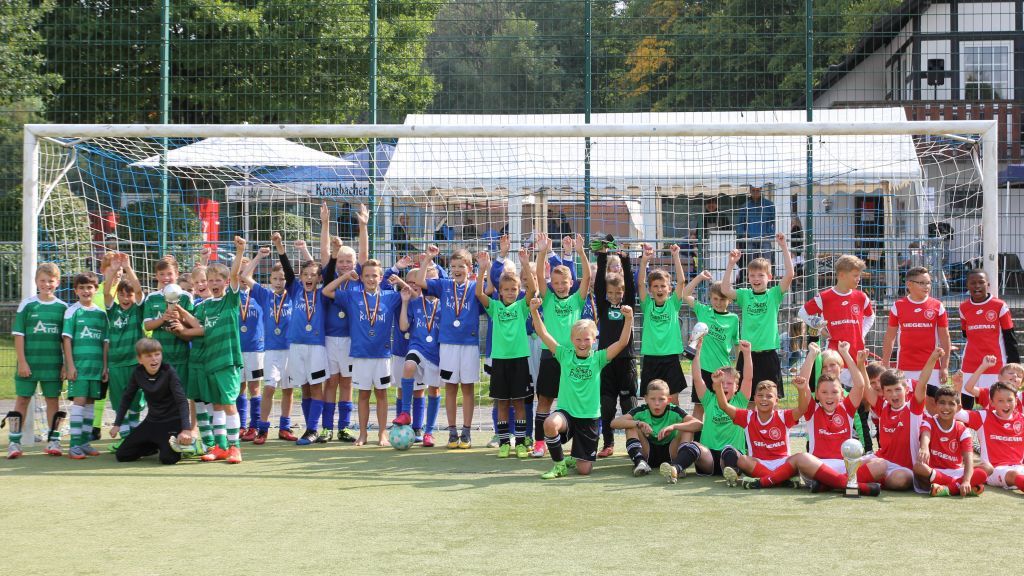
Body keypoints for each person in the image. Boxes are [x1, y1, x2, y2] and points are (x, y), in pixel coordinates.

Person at [530, 298, 634, 479]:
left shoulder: (599, 358)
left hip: (589, 417)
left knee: (584, 470)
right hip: (567, 413)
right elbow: (543, 333)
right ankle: (559, 464)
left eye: (587, 339)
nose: (582, 343)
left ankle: (577, 457)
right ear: (572, 340)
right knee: (550, 423)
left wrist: (629, 318)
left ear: (594, 340)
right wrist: (534, 311)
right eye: (578, 339)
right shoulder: (564, 354)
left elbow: (622, 343)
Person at [174, 237, 247, 464]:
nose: (214, 283)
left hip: (227, 360)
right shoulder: (205, 306)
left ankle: (235, 448)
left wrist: (240, 250)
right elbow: (197, 325)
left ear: (226, 282)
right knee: (216, 406)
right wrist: (176, 308)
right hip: (209, 361)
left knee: (228, 404)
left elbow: (236, 275)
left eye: (218, 280)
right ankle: (220, 446)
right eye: (211, 280)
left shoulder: (230, 300)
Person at [325, 256, 402, 446]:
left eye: (374, 276)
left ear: (381, 277)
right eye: (367, 276)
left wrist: (399, 281)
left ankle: (382, 433)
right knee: (363, 395)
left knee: (382, 394)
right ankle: (363, 434)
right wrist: (345, 277)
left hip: (382, 355)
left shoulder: (390, 297)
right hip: (360, 355)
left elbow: (413, 295)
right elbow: (327, 291)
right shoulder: (353, 296)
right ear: (361, 278)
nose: (370, 279)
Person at [417, 243, 484, 449]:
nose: (456, 270)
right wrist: (427, 259)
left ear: (469, 269)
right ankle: (452, 432)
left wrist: (484, 268)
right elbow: (420, 281)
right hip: (447, 344)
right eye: (453, 266)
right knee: (451, 388)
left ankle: (467, 431)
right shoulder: (444, 285)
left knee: (468, 388)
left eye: (461, 266)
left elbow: (488, 291)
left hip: (469, 344)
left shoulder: (475, 288)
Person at [532, 232, 591, 457]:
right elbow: (538, 275)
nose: (559, 286)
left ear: (570, 283)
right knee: (545, 400)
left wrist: (581, 252)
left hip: (573, 357)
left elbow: (586, 277)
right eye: (555, 282)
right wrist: (542, 252)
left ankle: (577, 440)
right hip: (550, 354)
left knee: (573, 400)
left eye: (563, 282)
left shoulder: (577, 298)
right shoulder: (547, 298)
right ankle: (539, 442)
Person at [797, 344, 882, 496]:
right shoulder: (812, 410)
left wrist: (845, 353)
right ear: (817, 394)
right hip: (819, 466)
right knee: (802, 459)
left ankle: (827, 485)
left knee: (881, 465)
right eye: (824, 392)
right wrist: (811, 355)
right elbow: (802, 382)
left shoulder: (847, 408)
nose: (829, 396)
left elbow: (860, 384)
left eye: (834, 392)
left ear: (841, 394)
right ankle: (858, 486)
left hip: (845, 466)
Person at [475, 248, 536, 458]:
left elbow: (533, 290)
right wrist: (482, 270)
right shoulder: (494, 307)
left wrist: (526, 264)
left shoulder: (521, 307)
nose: (510, 292)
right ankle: (503, 442)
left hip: (519, 360)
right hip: (500, 361)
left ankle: (519, 442)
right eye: (506, 289)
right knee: (502, 403)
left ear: (518, 290)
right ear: (500, 291)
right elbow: (479, 294)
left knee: (519, 402)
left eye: (514, 289)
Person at [5, 263, 68, 459]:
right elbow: (19, 335)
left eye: (51, 281)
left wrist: (65, 364)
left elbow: (65, 340)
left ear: (57, 283)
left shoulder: (63, 308)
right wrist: (22, 362)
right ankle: (14, 443)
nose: (46, 284)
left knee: (52, 401)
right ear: (36, 282)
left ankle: (53, 440)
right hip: (29, 364)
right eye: (43, 280)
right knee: (22, 400)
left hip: (52, 365)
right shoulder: (28, 304)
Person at [722, 233, 794, 402]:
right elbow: (725, 289)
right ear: (748, 278)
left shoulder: (774, 294)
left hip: (768, 355)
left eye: (760, 275)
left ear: (769, 277)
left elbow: (790, 275)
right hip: (747, 355)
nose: (756, 279)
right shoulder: (745, 295)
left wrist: (783, 247)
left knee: (770, 400)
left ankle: (770, 429)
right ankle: (747, 429)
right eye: (752, 275)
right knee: (747, 400)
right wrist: (731, 264)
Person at [713, 369, 811, 490]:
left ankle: (770, 479)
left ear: (776, 401)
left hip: (782, 463)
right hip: (759, 463)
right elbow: (724, 406)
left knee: (799, 458)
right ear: (755, 398)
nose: (764, 399)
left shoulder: (783, 416)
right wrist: (718, 385)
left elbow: (802, 409)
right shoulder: (747, 417)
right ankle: (781, 479)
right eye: (760, 396)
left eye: (769, 396)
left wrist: (801, 390)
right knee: (743, 460)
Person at [321, 204, 371, 442]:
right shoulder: (332, 276)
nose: (345, 264)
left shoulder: (359, 279)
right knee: (331, 381)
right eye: (341, 260)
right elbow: (324, 255)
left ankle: (344, 426)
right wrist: (325, 225)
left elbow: (363, 254)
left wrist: (363, 226)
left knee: (347, 382)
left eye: (348, 261)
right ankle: (326, 427)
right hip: (330, 338)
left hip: (352, 338)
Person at [861, 348, 942, 491]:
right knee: (851, 463)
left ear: (906, 390)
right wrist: (860, 364)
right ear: (883, 393)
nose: (894, 394)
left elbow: (923, 380)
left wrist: (933, 358)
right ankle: (845, 482)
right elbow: (866, 386)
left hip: (903, 469)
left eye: (898, 389)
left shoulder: (913, 409)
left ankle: (869, 481)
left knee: (900, 480)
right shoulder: (882, 406)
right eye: (889, 391)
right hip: (881, 460)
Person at [242, 232, 297, 444]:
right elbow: (244, 277)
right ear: (269, 280)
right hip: (271, 350)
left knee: (288, 389)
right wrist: (258, 257)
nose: (278, 282)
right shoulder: (264, 295)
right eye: (274, 278)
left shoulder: (293, 295)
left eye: (282, 278)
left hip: (291, 350)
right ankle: (263, 429)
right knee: (269, 388)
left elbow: (294, 278)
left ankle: (284, 427)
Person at [110, 338, 193, 465]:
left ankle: (181, 445)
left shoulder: (169, 371)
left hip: (172, 423)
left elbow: (182, 401)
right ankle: (155, 445)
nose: (154, 359)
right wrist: (117, 424)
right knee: (122, 455)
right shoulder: (138, 373)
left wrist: (186, 429)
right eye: (148, 356)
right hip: (152, 422)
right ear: (140, 359)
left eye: (157, 354)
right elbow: (127, 397)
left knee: (167, 459)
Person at [881, 266, 952, 412]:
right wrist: (885, 363)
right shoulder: (898, 306)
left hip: (932, 367)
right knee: (906, 406)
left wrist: (944, 366)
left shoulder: (937, 306)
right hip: (905, 367)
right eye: (922, 283)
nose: (926, 287)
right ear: (909, 285)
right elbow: (890, 336)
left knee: (932, 406)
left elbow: (945, 338)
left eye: (928, 283)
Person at [678, 339, 752, 478]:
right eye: (721, 382)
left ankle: (733, 473)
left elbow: (748, 379)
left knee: (729, 450)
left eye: (729, 383)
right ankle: (676, 468)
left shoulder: (740, 401)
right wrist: (697, 352)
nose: (724, 386)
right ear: (714, 385)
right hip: (709, 458)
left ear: (737, 387)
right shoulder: (709, 399)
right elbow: (698, 379)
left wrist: (747, 354)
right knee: (693, 446)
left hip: (730, 457)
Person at [594, 245, 638, 458]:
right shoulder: (602, 305)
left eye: (617, 292)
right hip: (606, 361)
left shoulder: (628, 305)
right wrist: (602, 256)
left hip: (627, 359)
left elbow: (630, 284)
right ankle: (608, 443)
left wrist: (626, 259)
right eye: (610, 292)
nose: (613, 296)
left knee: (629, 404)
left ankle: (635, 442)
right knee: (607, 404)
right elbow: (599, 289)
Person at [610, 379, 701, 482]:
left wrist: (674, 426)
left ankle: (678, 466)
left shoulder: (674, 410)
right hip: (648, 453)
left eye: (661, 399)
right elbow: (614, 423)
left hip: (672, 453)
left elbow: (698, 424)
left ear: (669, 400)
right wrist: (638, 423)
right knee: (631, 426)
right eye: (653, 399)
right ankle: (640, 463)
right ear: (646, 399)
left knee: (687, 429)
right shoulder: (642, 410)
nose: (657, 403)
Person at [681, 271, 738, 431]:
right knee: (699, 407)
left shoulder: (733, 319)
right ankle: (697, 443)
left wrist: (737, 368)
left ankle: (724, 438)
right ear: (710, 298)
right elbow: (685, 294)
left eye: (723, 299)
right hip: (703, 369)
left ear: (729, 299)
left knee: (723, 406)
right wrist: (699, 277)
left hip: (722, 371)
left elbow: (737, 344)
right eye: (715, 299)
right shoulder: (704, 311)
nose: (719, 303)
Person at [102, 254, 146, 452]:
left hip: (135, 364)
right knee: (120, 403)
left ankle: (135, 439)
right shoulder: (113, 311)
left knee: (136, 402)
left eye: (129, 295)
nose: (126, 298)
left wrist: (128, 267)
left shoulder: (137, 311)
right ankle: (126, 440)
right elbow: (106, 295)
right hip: (116, 364)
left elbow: (138, 290)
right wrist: (112, 271)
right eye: (123, 295)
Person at [62, 272, 109, 460]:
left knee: (90, 403)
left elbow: (105, 343)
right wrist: (70, 366)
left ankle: (84, 442)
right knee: (79, 403)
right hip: (79, 367)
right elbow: (66, 340)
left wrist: (105, 367)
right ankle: (73, 445)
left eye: (89, 287)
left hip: (96, 367)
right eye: (81, 287)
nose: (85, 291)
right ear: (75, 291)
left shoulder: (100, 314)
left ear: (95, 289)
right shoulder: (72, 311)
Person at [398, 263, 444, 447]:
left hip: (436, 353)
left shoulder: (445, 303)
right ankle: (404, 412)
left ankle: (429, 431)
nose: (429, 283)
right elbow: (403, 327)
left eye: (433, 280)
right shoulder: (415, 302)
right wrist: (404, 302)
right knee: (408, 366)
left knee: (434, 389)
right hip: (417, 347)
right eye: (426, 279)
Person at [958, 269, 1019, 405]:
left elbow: (1010, 336)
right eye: (973, 283)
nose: (977, 286)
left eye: (981, 282)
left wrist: (1014, 363)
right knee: (966, 400)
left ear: (988, 284)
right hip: (970, 362)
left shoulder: (999, 306)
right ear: (967, 285)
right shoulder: (963, 308)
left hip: (994, 363)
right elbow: (965, 333)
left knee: (993, 402)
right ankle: (965, 427)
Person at [638, 243, 688, 404]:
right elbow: (640, 284)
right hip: (651, 358)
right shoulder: (647, 305)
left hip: (670, 358)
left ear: (669, 289)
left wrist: (676, 256)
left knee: (673, 399)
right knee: (650, 400)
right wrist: (645, 260)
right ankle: (651, 429)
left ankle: (675, 428)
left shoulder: (673, 304)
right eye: (655, 286)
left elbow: (681, 282)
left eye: (663, 286)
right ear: (651, 289)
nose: (659, 289)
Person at [916, 384, 987, 497]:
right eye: (942, 402)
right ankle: (960, 487)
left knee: (985, 470)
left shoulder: (962, 429)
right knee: (919, 468)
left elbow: (968, 459)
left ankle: (947, 489)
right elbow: (925, 435)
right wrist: (924, 448)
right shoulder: (929, 422)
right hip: (934, 471)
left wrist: (967, 480)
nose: (946, 407)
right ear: (935, 405)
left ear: (958, 408)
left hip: (956, 471)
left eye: (951, 404)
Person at [955, 381, 1024, 492]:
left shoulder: (1022, 419)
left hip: (1020, 467)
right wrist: (957, 389)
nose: (1006, 405)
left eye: (1010, 400)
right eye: (1000, 401)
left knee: (1016, 473)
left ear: (1016, 401)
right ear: (991, 402)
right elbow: (957, 413)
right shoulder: (983, 417)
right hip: (994, 470)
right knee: (1013, 475)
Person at [735, 186, 776, 263]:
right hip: (750, 238)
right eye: (753, 190)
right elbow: (740, 223)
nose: (755, 193)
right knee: (751, 263)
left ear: (761, 190)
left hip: (765, 238)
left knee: (766, 262)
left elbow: (775, 221)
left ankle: (768, 274)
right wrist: (743, 233)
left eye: (757, 190)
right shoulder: (745, 206)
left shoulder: (769, 205)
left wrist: (770, 234)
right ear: (750, 191)